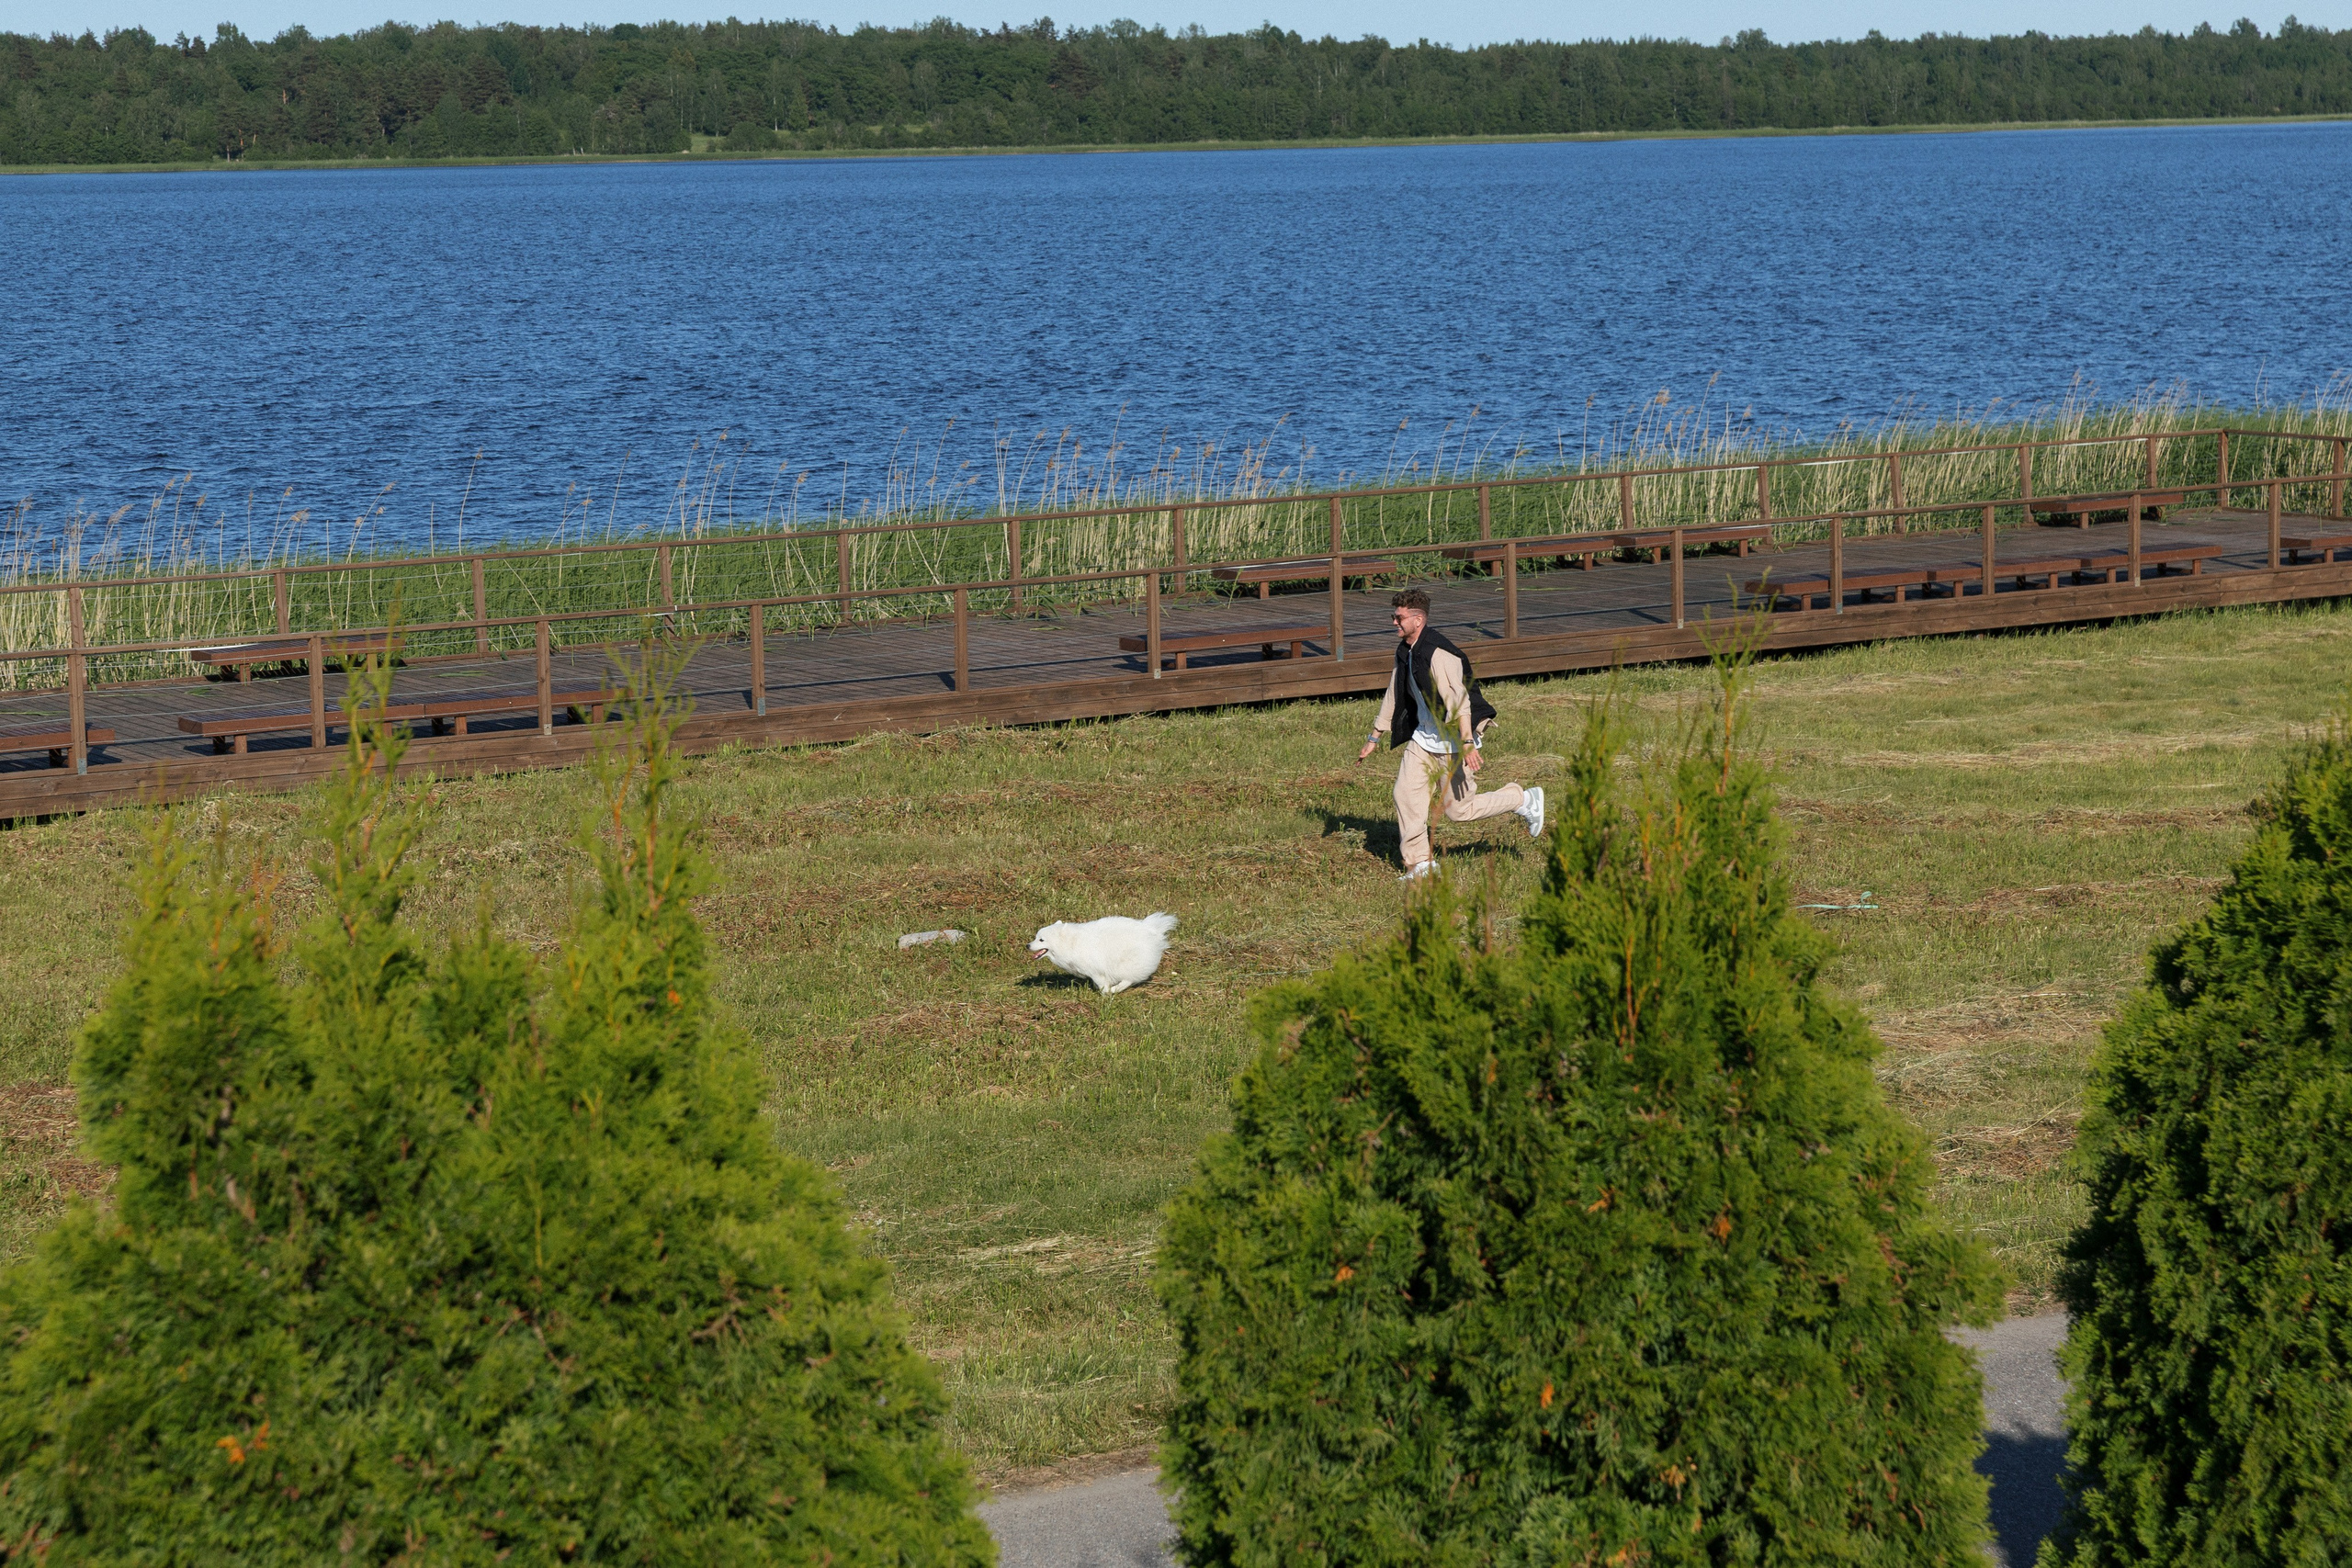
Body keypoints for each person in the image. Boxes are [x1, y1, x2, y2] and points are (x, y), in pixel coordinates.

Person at [1356, 588, 1544, 881]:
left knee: (1459, 810)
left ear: (1418, 620)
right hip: (1424, 739)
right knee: (1405, 795)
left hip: (1454, 742)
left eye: (1398, 617)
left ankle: (1521, 799)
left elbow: (1459, 701)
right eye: (1393, 616)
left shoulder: (1439, 654)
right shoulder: (1405, 649)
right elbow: (1394, 691)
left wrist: (1468, 742)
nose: (1394, 621)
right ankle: (1421, 864)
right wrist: (1375, 736)